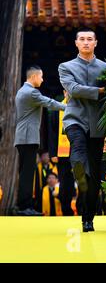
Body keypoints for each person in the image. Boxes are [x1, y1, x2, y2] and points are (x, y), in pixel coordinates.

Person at [58, 28, 106, 232]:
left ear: (96, 43)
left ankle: (88, 218)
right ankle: (79, 170)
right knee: (77, 149)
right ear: (76, 43)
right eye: (82, 39)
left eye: (89, 39)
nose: (86, 42)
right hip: (75, 119)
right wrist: (101, 91)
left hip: (98, 124)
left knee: (95, 174)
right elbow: (74, 89)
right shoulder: (66, 67)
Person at [14, 65, 66, 216]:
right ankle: (25, 207)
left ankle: (24, 205)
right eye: (41, 77)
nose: (42, 80)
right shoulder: (31, 92)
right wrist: (68, 106)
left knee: (26, 172)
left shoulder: (22, 91)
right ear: (34, 77)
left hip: (23, 137)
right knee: (27, 173)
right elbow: (49, 103)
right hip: (28, 138)